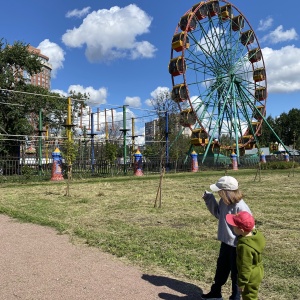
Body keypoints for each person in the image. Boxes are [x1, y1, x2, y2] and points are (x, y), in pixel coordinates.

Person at [201, 176, 252, 300]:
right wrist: (209, 199)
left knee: (236, 273)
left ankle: (235, 297)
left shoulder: (241, 207)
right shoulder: (224, 202)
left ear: (226, 192)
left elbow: (249, 227)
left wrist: (245, 245)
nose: (218, 193)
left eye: (219, 191)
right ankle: (216, 292)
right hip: (226, 242)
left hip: (237, 245)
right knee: (221, 269)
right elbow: (220, 214)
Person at [226, 211, 265, 300]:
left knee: (248, 296)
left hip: (250, 275)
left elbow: (245, 266)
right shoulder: (256, 236)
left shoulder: (245, 247)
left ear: (241, 230)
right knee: (252, 294)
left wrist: (242, 283)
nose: (232, 227)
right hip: (258, 271)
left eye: (234, 226)